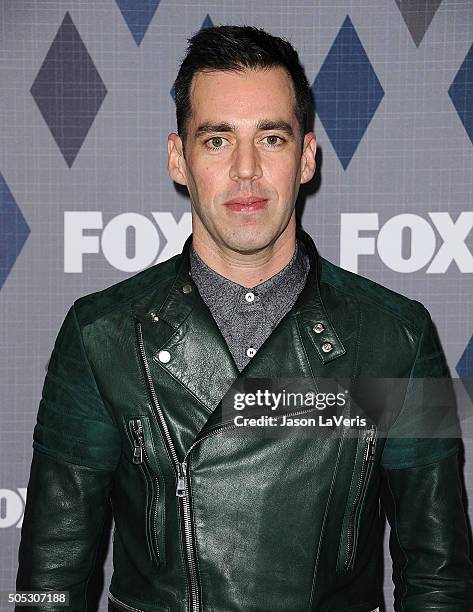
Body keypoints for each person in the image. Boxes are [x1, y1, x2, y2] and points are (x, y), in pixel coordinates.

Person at [16, 25, 473, 612]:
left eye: (272, 138)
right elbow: (46, 581)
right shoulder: (99, 334)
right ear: (179, 160)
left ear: (306, 156)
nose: (247, 170)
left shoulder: (400, 337)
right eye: (217, 141)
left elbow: (442, 580)